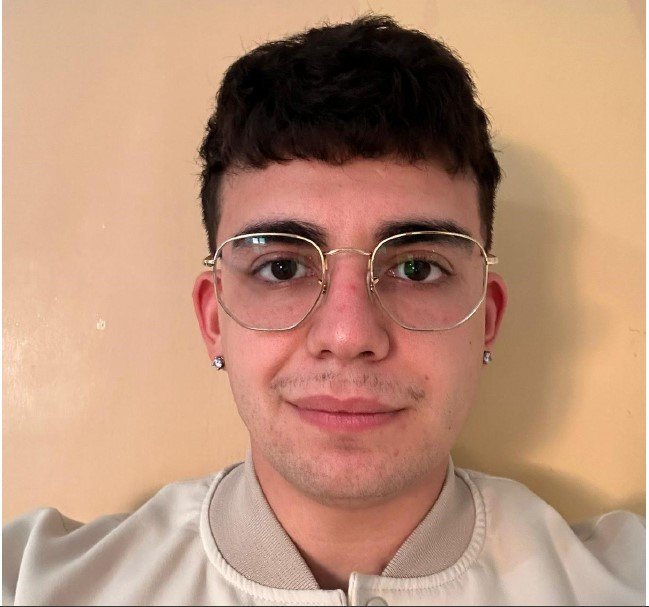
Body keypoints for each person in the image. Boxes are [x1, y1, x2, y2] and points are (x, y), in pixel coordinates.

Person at [3, 15, 644, 606]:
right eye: (281, 268)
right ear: (214, 318)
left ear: (487, 317)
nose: (347, 333)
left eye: (416, 268)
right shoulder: (35, 583)